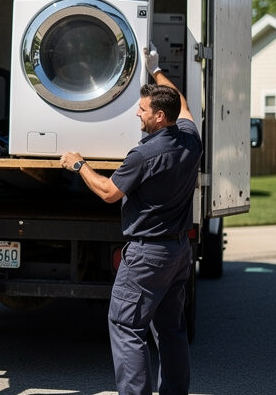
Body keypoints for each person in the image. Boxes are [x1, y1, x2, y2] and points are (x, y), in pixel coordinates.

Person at [59, 42, 202, 395]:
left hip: (147, 255)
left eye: (142, 110)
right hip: (178, 251)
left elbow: (109, 193)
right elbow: (181, 102)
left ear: (158, 117)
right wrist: (156, 69)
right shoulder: (190, 140)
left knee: (126, 325)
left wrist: (78, 165)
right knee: (171, 329)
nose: (137, 114)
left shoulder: (144, 154)